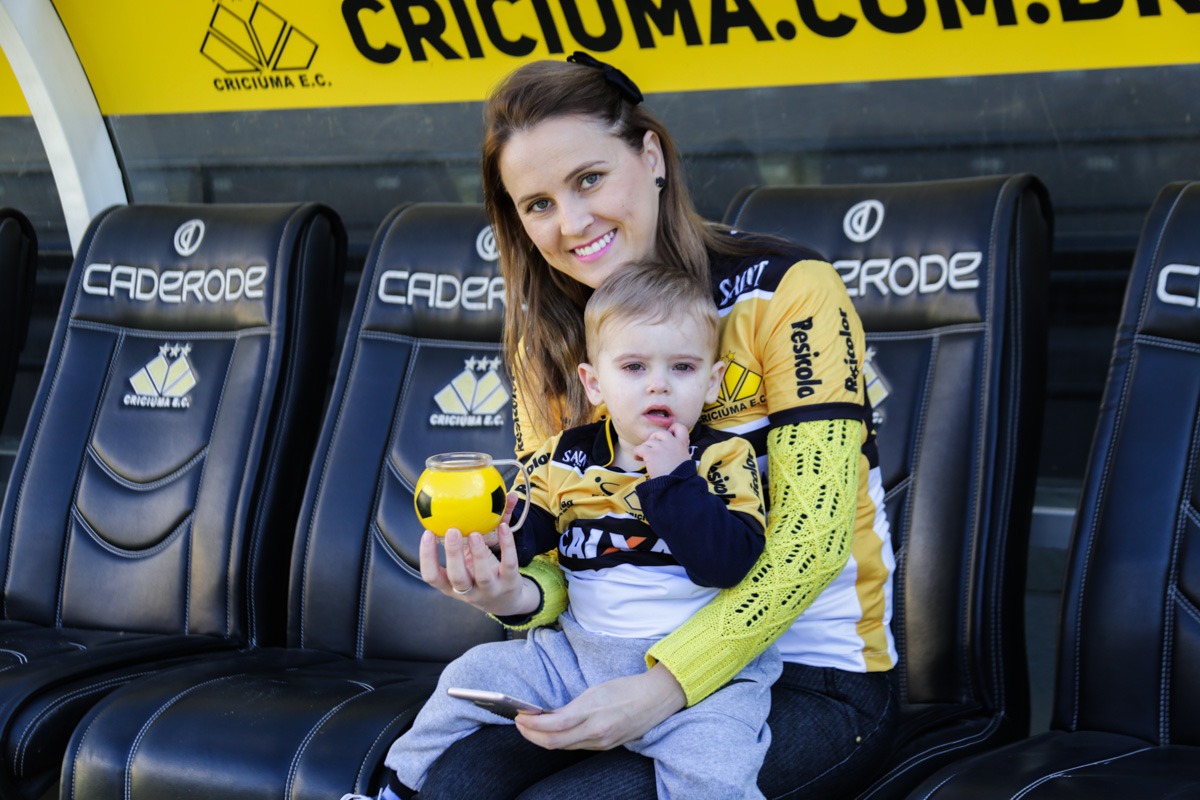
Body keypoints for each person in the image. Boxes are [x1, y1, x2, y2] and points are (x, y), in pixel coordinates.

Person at [413, 52, 899, 799]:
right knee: (454, 783)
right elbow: (563, 559)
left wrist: (664, 685)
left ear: (650, 156)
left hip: (810, 675)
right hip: (605, 661)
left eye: (588, 179)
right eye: (537, 204)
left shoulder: (789, 290)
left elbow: (812, 544)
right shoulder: (545, 342)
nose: (571, 223)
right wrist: (507, 592)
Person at [352, 263, 777, 800]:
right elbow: (525, 531)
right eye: (633, 366)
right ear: (594, 383)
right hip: (573, 660)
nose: (658, 383)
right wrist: (489, 543)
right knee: (468, 674)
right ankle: (392, 791)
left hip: (695, 681)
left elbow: (728, 565)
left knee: (715, 770)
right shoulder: (565, 458)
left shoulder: (723, 457)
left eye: (683, 367)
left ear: (712, 381)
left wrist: (672, 479)